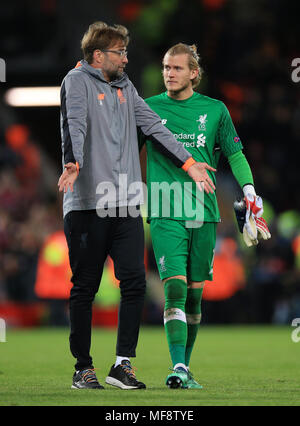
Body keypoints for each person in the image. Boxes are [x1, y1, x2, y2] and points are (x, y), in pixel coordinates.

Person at [58, 23, 216, 390]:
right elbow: (74, 125)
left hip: (126, 203)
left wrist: (188, 163)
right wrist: (73, 161)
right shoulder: (76, 82)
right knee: (85, 288)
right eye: (119, 53)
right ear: (99, 56)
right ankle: (83, 367)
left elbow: (156, 127)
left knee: (134, 284)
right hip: (87, 202)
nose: (126, 59)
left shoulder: (125, 88)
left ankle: (122, 365)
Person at [140, 43, 270, 389]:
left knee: (195, 297)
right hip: (166, 210)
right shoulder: (148, 109)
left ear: (194, 73)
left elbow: (235, 153)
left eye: (177, 68)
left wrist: (249, 190)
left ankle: (186, 367)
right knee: (175, 290)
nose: (169, 73)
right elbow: (120, 146)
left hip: (204, 212)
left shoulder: (215, 111)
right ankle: (178, 366)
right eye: (166, 67)